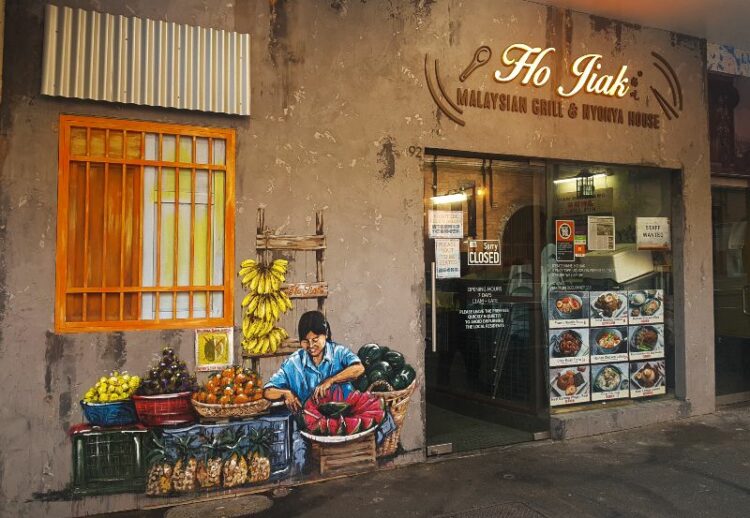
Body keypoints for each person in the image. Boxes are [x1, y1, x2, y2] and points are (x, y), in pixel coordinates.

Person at [263, 311, 365, 413]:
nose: (311, 345)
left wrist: (331, 380)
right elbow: (267, 391)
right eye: (305, 341)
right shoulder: (293, 362)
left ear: (326, 334)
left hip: (346, 415)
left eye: (315, 340)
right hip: (310, 421)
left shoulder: (338, 352)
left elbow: (359, 368)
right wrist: (285, 393)